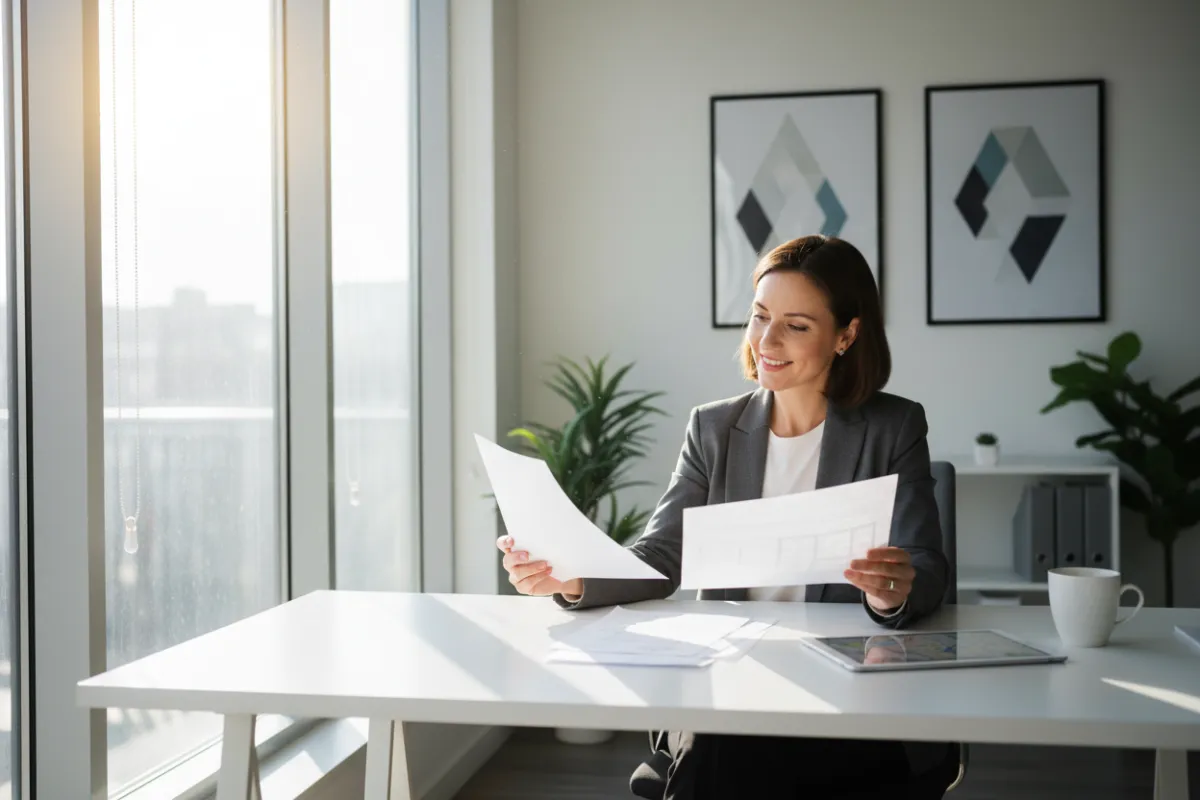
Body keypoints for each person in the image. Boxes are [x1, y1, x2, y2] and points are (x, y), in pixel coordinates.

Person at [496, 235, 959, 798]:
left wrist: (891, 590)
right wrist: (572, 577)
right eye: (760, 316)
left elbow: (925, 565)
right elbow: (662, 556)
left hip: (842, 685)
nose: (767, 340)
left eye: (796, 325)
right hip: (732, 676)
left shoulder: (894, 427)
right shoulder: (713, 430)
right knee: (728, 754)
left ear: (847, 335)